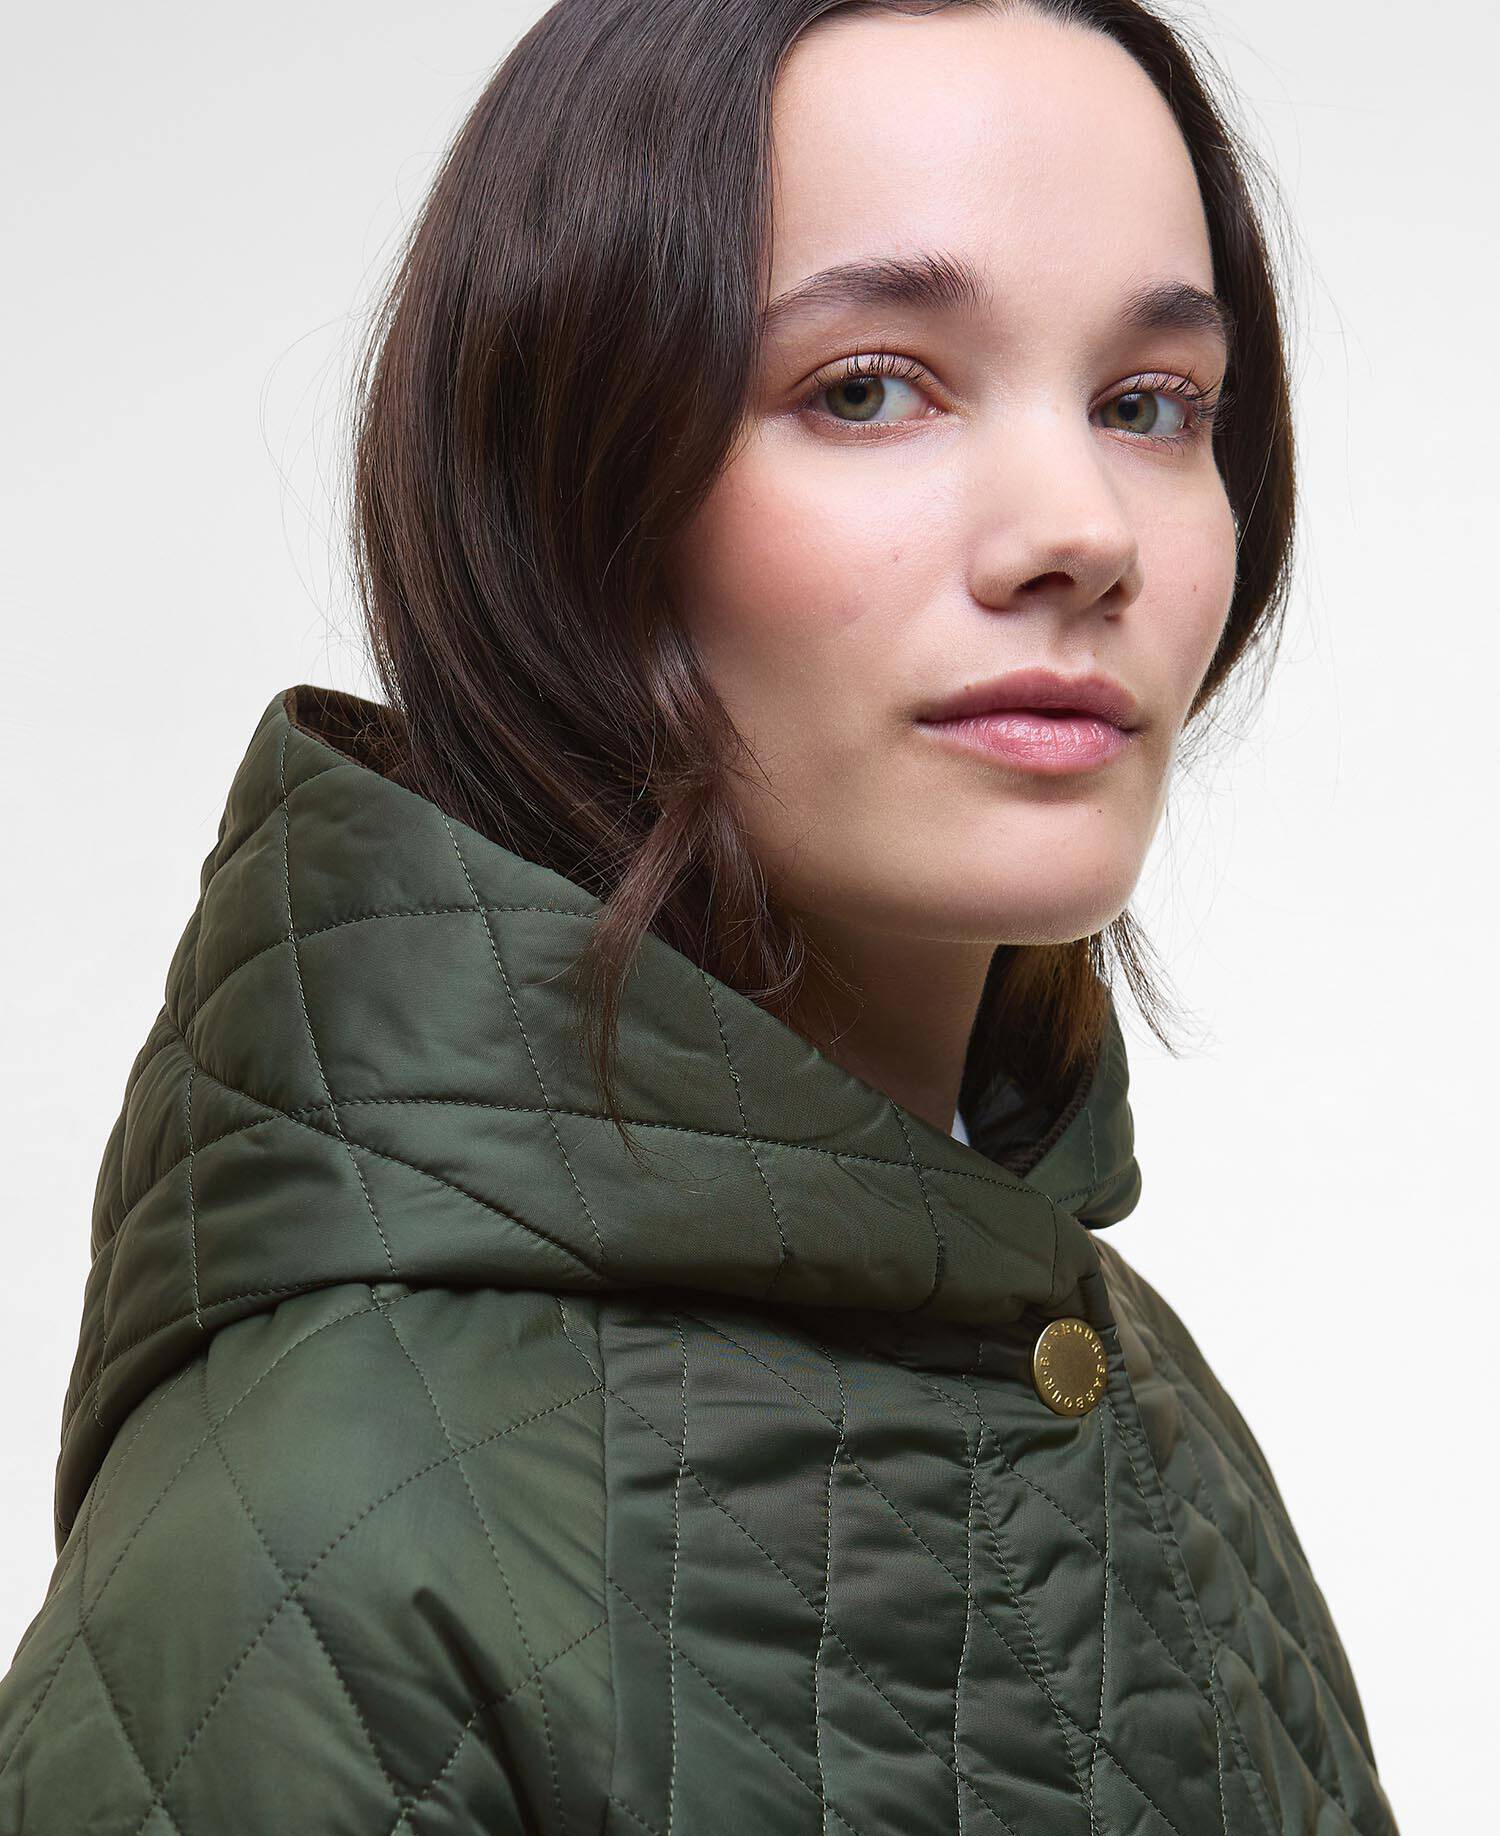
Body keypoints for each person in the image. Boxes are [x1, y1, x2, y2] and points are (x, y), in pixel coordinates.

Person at [0, 2, 1400, 1830]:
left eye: (1151, 404)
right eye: (869, 387)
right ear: (566, 490)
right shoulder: (316, 1555)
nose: (1083, 530)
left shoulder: (1122, 1379)